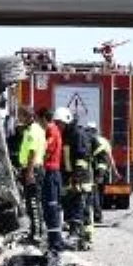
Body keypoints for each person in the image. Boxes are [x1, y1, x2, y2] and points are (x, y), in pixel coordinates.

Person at [59, 109, 94, 250]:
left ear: (67, 121)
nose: (58, 126)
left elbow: (82, 158)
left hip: (81, 179)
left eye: (60, 123)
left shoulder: (78, 135)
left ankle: (85, 238)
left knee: (81, 208)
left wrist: (77, 177)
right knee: (72, 207)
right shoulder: (66, 135)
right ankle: (76, 235)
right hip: (70, 178)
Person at [16, 108, 46, 242]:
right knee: (30, 203)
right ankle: (34, 231)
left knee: (34, 203)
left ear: (26, 116)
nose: (18, 118)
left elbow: (32, 153)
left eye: (20, 116)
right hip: (32, 169)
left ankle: (37, 234)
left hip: (33, 170)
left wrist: (29, 173)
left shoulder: (33, 131)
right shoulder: (32, 129)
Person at [40, 108, 66, 255]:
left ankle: (55, 243)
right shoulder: (55, 130)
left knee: (51, 208)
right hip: (53, 173)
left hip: (51, 173)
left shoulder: (51, 131)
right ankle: (56, 240)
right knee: (52, 207)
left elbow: (46, 149)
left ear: (44, 119)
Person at [88, 122, 120, 224]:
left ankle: (97, 215)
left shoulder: (89, 140)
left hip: (95, 171)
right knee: (100, 193)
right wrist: (115, 172)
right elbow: (110, 158)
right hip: (104, 172)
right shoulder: (104, 141)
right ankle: (98, 213)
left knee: (95, 192)